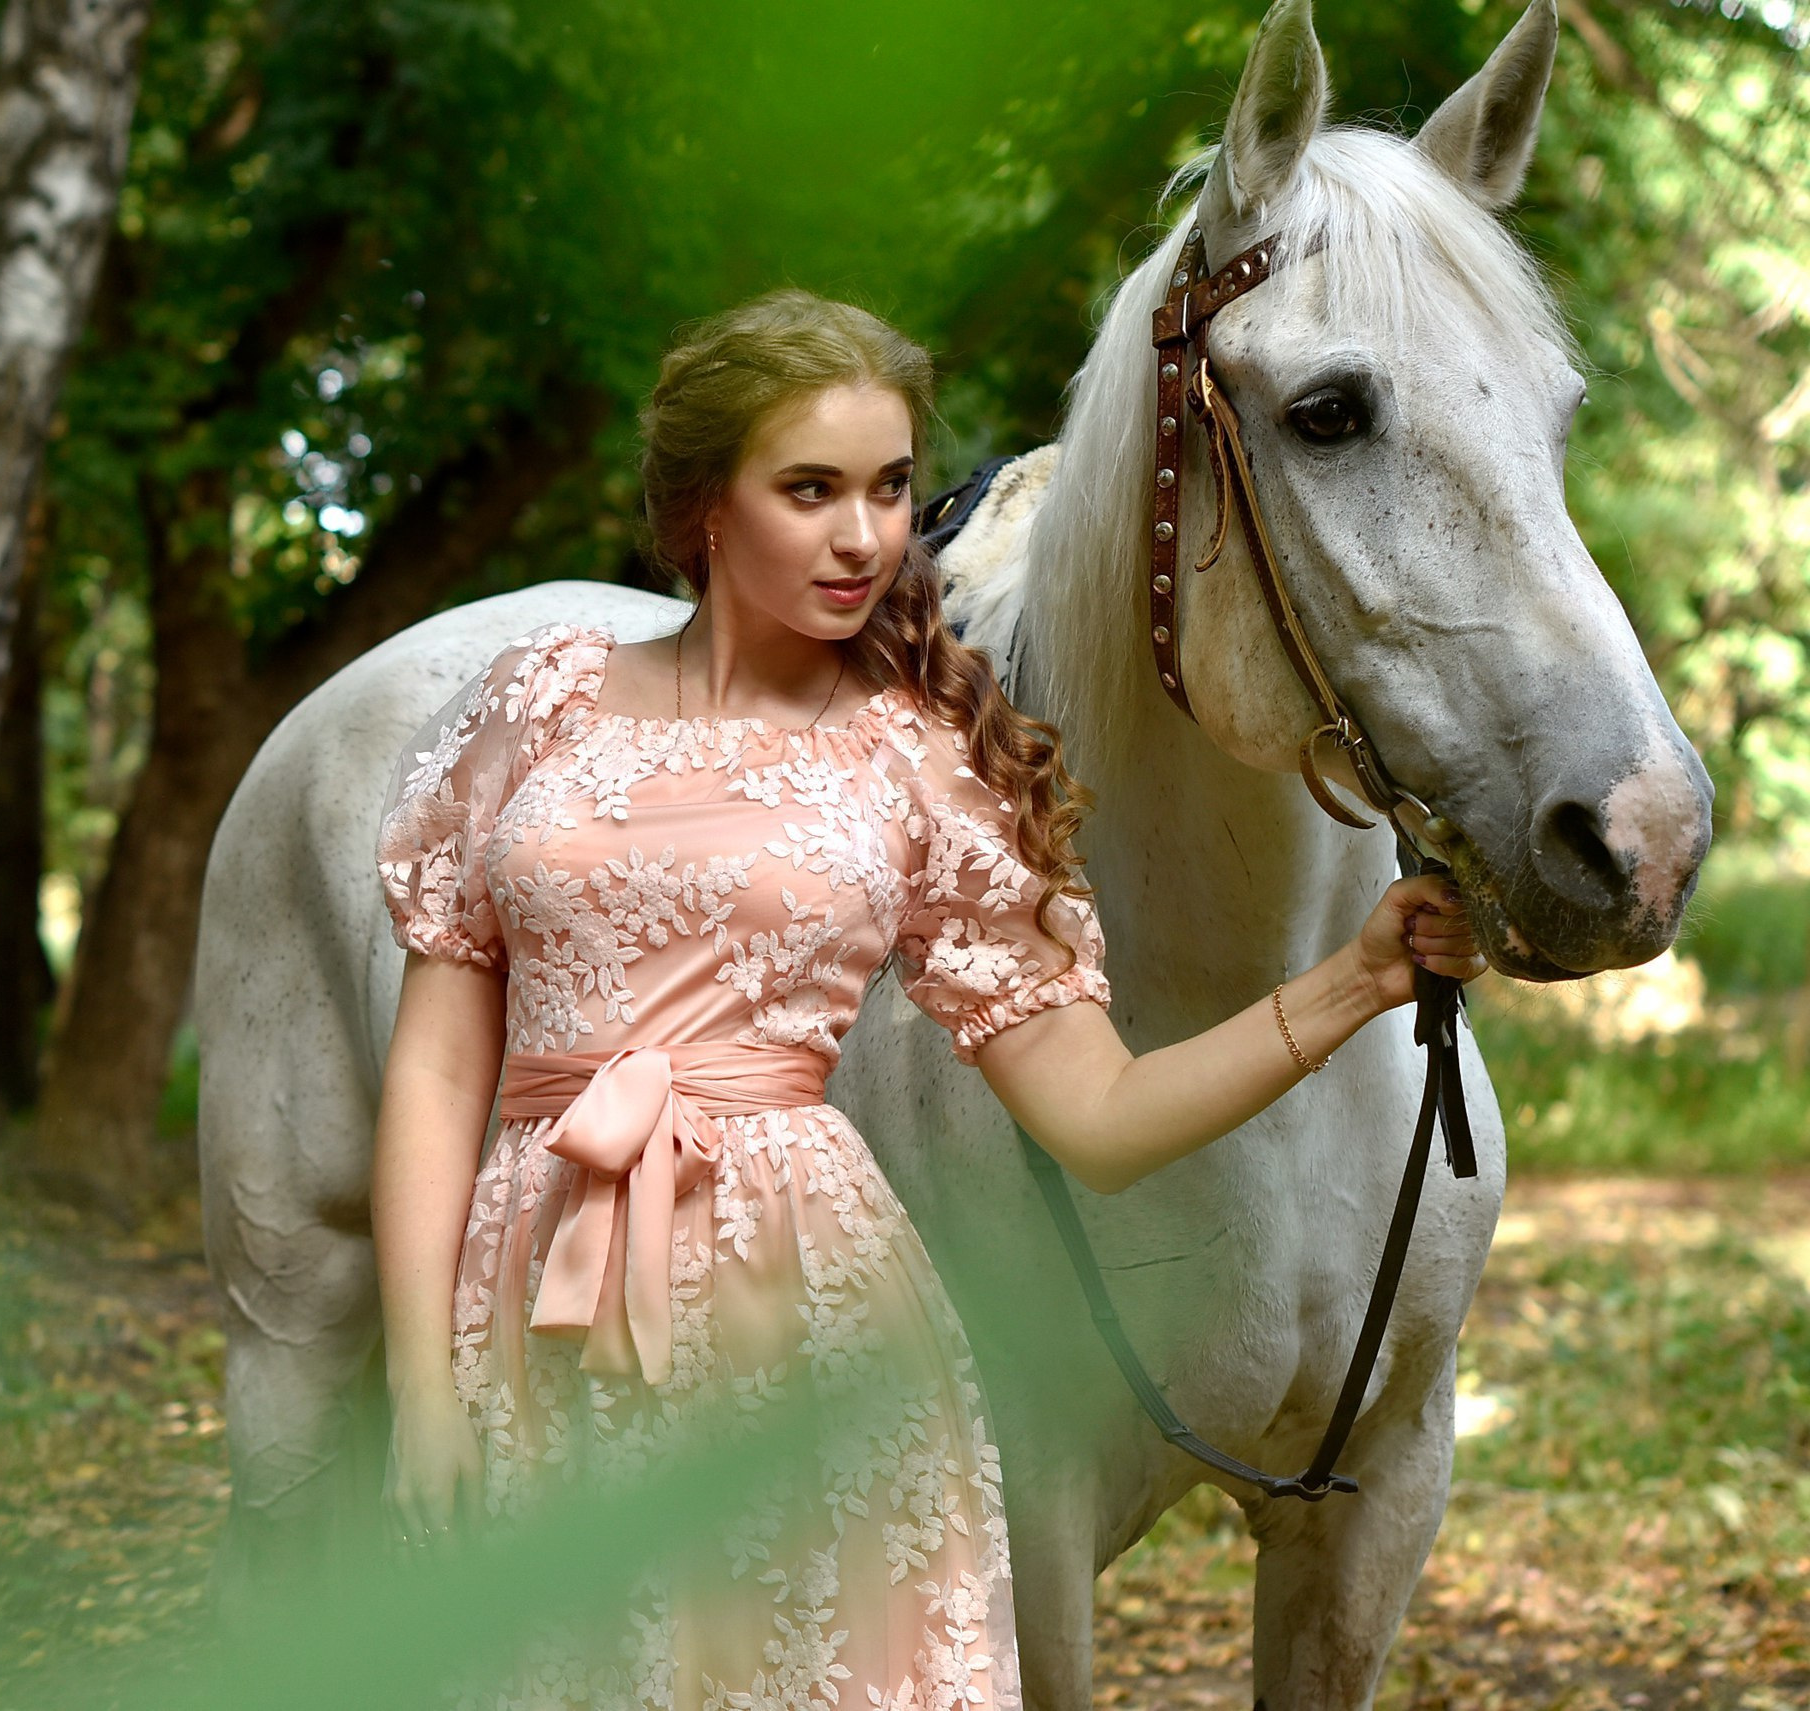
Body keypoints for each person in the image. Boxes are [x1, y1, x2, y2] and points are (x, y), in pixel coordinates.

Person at [369, 289, 1486, 1708]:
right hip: (536, 1306)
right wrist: (420, 1387)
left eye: (892, 489)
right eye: (811, 490)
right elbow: (435, 1073)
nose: (864, 538)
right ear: (706, 504)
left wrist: (1356, 982)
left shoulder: (925, 762)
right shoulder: (538, 701)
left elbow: (1100, 1112)